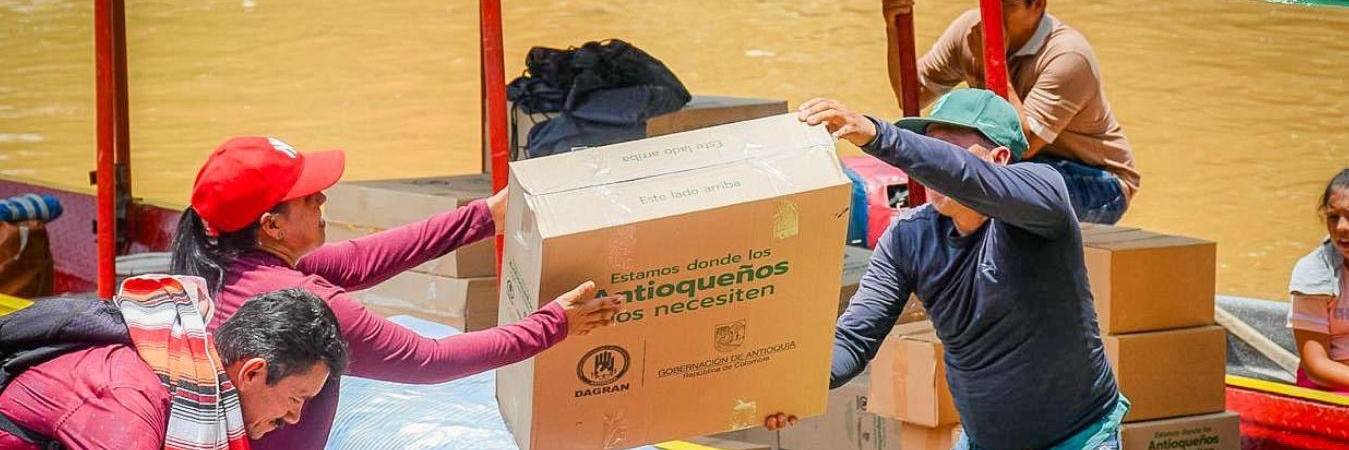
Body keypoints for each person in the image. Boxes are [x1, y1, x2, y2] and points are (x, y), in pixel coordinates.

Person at [168, 136, 623, 449]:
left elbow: (363, 259)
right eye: (309, 198)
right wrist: (554, 325)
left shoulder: (224, 264)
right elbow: (429, 361)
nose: (323, 199)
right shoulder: (304, 307)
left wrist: (486, 217)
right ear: (271, 226)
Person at [765, 89, 1127, 449]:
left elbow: (964, 174)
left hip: (1079, 440)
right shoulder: (909, 238)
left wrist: (876, 134)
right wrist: (794, 387)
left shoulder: (1043, 201)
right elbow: (854, 339)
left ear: (999, 158)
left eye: (945, 152)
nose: (932, 172)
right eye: (930, 149)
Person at [0, 277, 348, 450]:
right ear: (252, 372)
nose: (295, 417)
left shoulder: (189, 376)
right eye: (297, 398)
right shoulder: (130, 402)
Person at [881, 0, 1138, 224]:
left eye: (1008, 4)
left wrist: (994, 61)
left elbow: (1022, 146)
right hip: (1022, 165)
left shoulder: (1068, 56)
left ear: (1037, 5)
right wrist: (893, 25)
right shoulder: (970, 30)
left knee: (991, 186)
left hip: (1100, 181)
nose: (995, 14)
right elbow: (911, 94)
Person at [1287, 168, 1349, 393]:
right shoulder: (1314, 272)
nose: (1342, 227)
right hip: (1330, 388)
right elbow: (1316, 366)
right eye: (1334, 217)